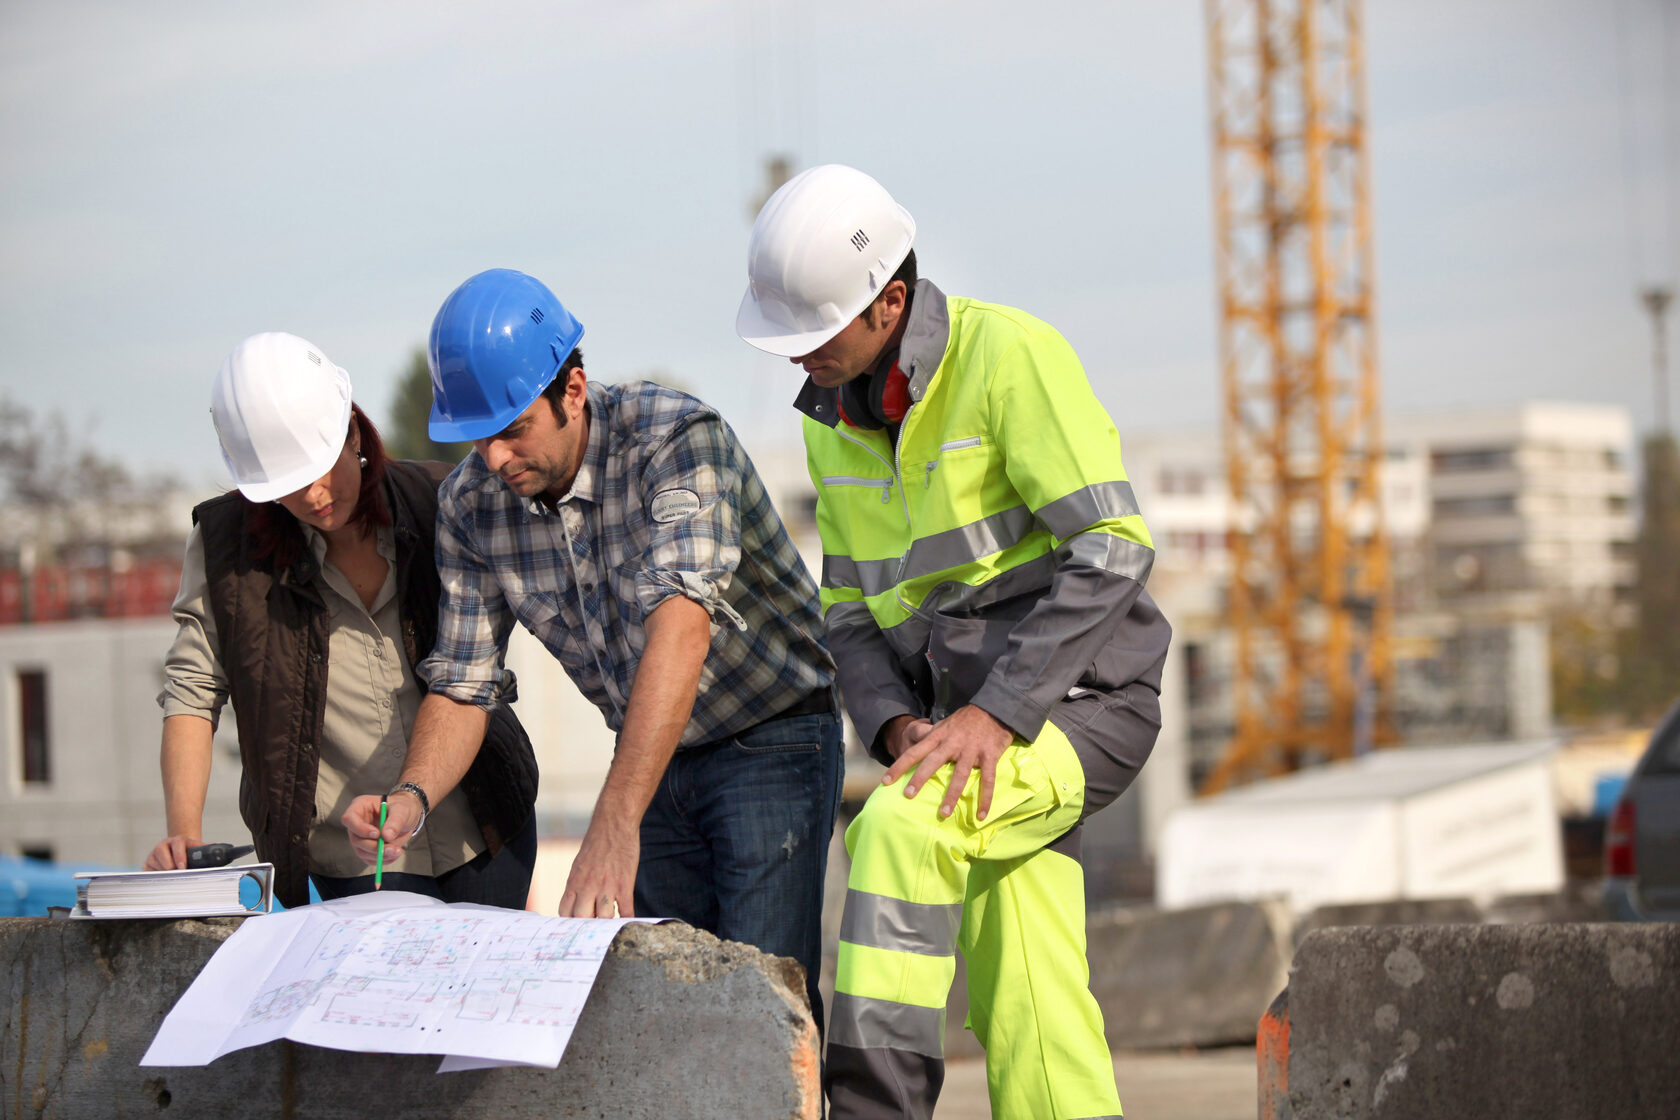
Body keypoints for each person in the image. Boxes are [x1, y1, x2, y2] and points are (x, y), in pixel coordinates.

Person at [738, 164, 1172, 1120]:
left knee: (897, 827)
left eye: (814, 332)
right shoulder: (830, 424)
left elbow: (1113, 545)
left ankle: (873, 1111)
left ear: (889, 302)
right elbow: (846, 611)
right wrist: (894, 724)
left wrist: (996, 714)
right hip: (954, 726)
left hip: (1078, 708)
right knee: (1030, 985)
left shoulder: (1009, 357)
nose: (797, 356)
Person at [342, 269, 842, 1033]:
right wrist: (410, 796)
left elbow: (681, 625)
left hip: (769, 738)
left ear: (572, 388)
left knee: (761, 1013)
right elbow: (463, 682)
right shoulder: (472, 507)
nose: (497, 458)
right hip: (650, 760)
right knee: (677, 1016)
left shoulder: (674, 441)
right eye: (479, 438)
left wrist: (616, 814)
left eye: (513, 430)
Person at [146, 331, 539, 911]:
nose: (315, 494)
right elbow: (192, 690)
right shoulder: (227, 549)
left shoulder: (440, 500)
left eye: (322, 465)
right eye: (288, 484)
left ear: (353, 431)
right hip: (353, 855)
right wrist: (184, 832)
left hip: (484, 824)